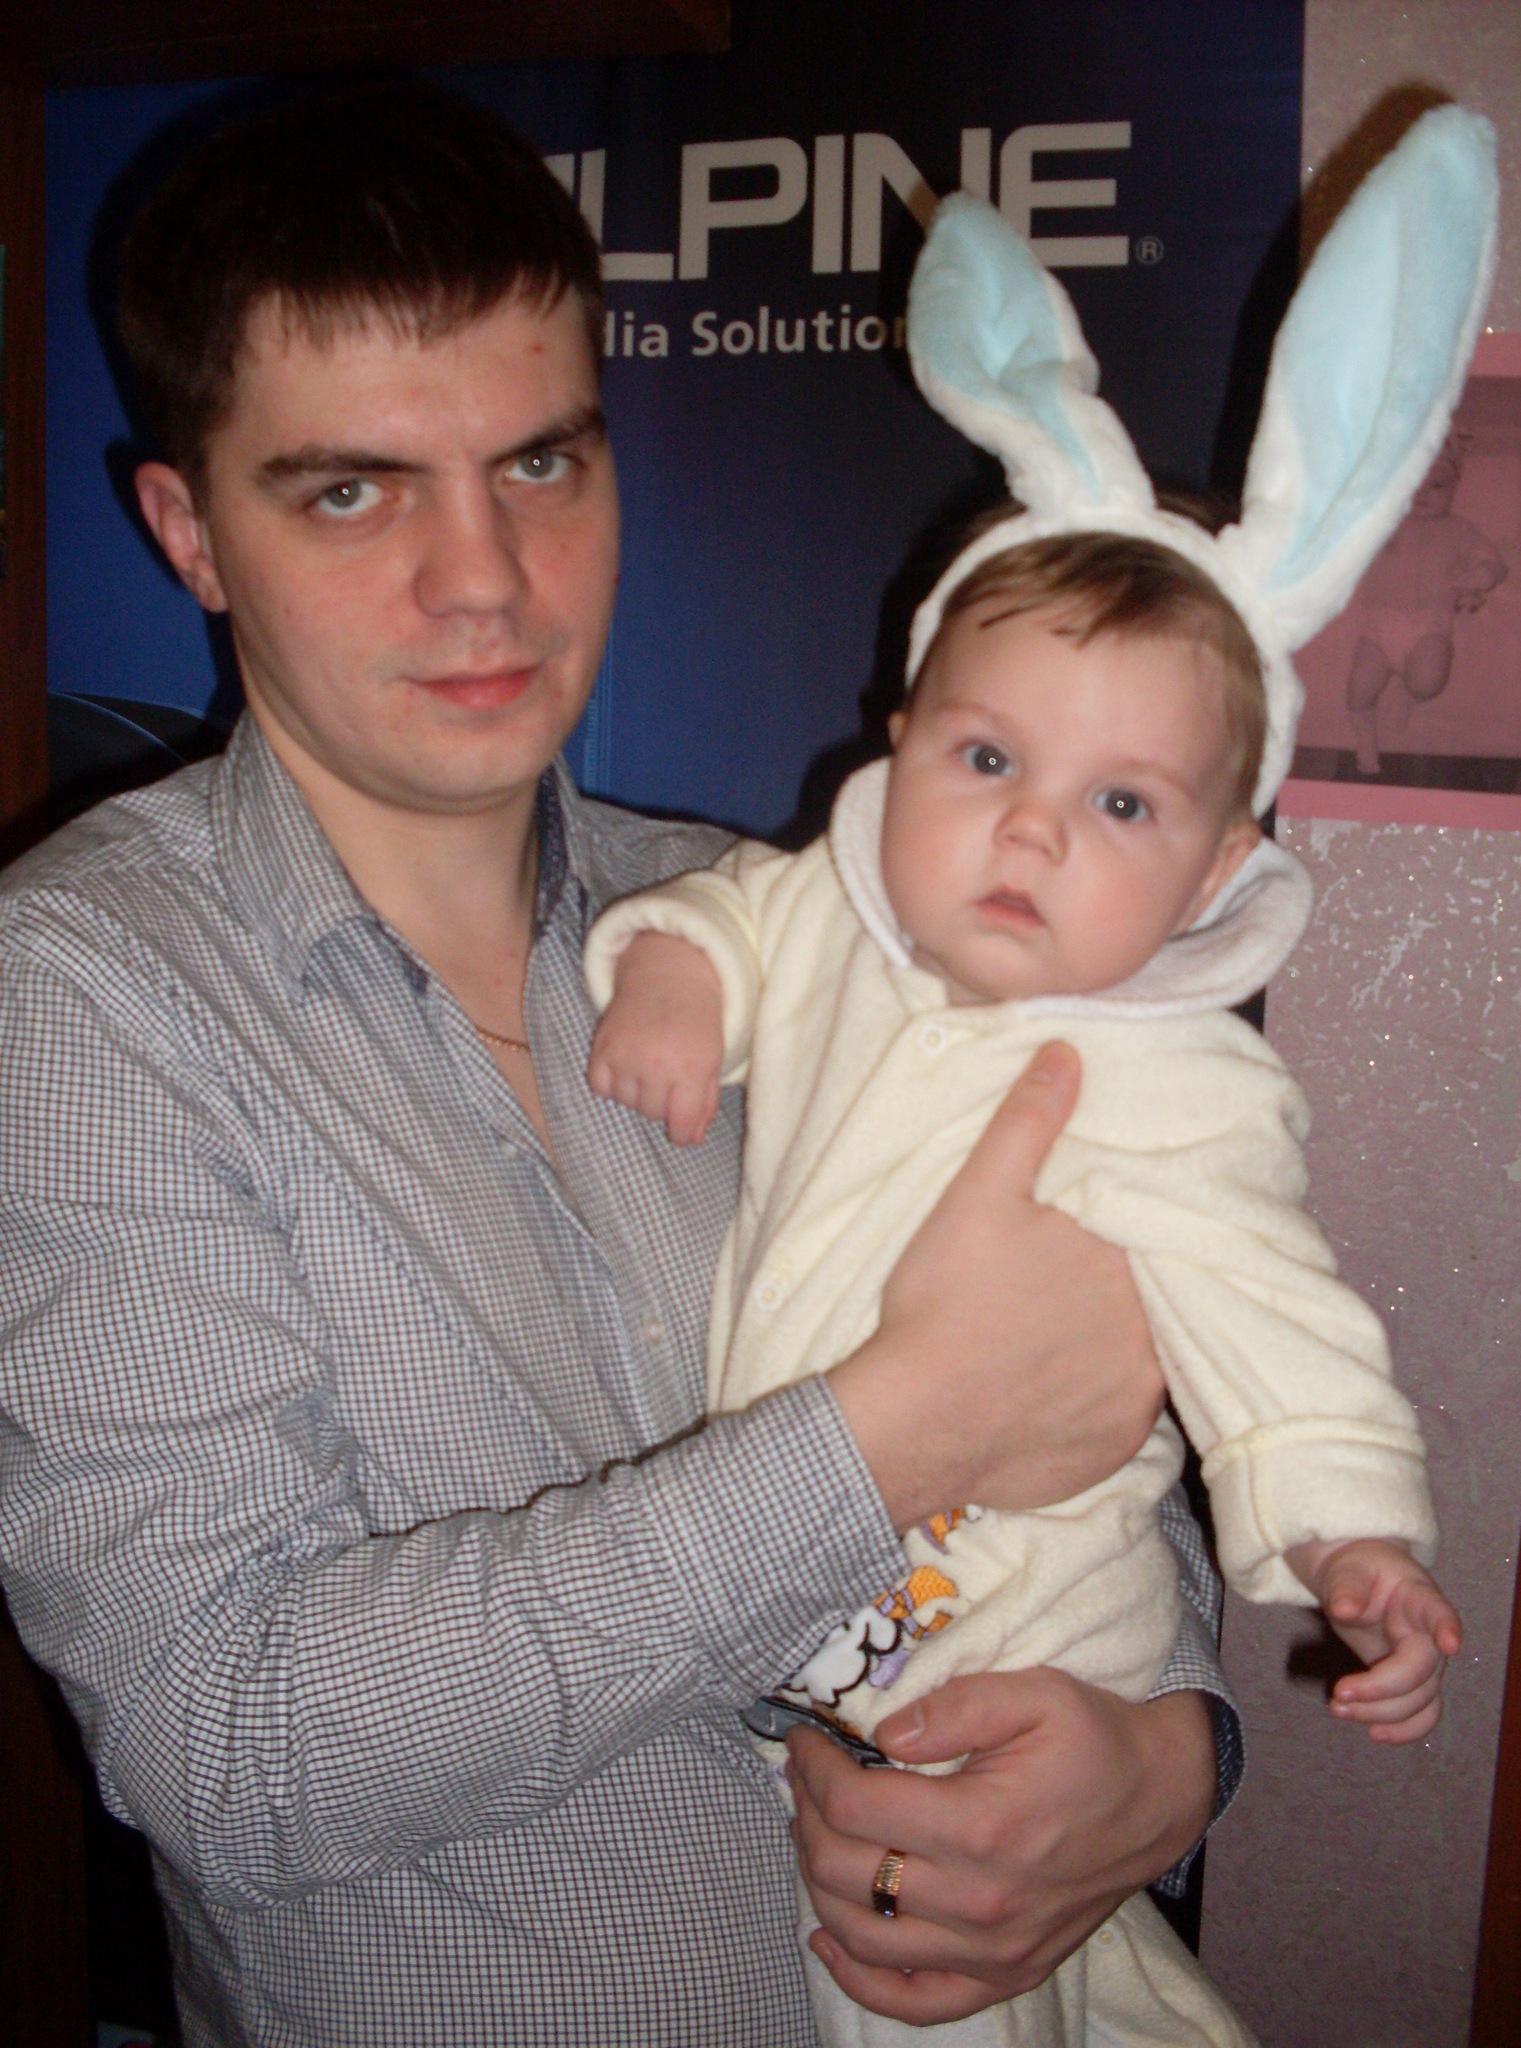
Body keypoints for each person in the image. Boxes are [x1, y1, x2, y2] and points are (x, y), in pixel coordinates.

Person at [0, 83, 1235, 2048]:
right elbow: (225, 1733)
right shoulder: (83, 988)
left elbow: (1080, 1413)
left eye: (539, 462)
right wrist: (884, 1437)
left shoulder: (788, 918)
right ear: (190, 533)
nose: (482, 578)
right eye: (351, 492)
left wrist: (1168, 1746)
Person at [584, 147, 1493, 2048]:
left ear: (1220, 870)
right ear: (902, 733)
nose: (1030, 831)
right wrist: (670, 973)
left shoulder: (1186, 1081)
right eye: (989, 756)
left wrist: (1355, 1540)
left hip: (1020, 1602)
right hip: (806, 1593)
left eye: (1122, 802)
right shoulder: (824, 911)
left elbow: (1274, 1321)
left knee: (937, 1973)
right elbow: (728, 921)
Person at [1345, 437, 1508, 774]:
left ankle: (1406, 695)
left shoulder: (1460, 530)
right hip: (1378, 627)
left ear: (1454, 489)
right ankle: (1366, 742)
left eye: (1436, 485)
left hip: (1429, 627)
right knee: (1358, 691)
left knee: (1429, 682)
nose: (1421, 493)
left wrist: (1481, 576)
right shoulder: (1384, 524)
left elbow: (1492, 562)